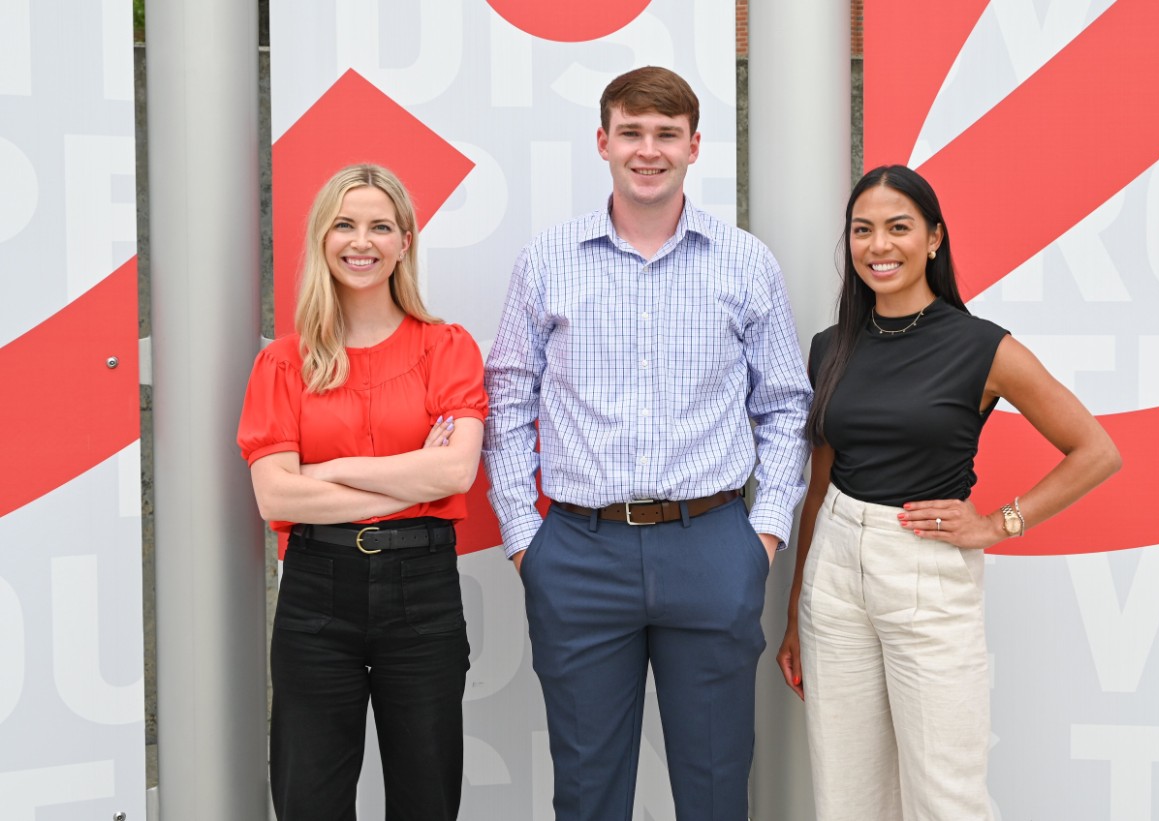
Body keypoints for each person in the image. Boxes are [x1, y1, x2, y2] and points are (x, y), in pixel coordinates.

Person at [483, 66, 812, 820]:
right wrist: (526, 538)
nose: (648, 150)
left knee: (716, 786)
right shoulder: (548, 260)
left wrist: (762, 535)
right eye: (631, 132)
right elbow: (505, 400)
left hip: (712, 545)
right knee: (588, 792)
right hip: (579, 551)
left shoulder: (744, 263)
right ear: (603, 142)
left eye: (666, 134)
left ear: (695, 146)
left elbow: (787, 407)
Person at [775, 165, 1121, 821]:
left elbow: (1096, 451)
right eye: (863, 230)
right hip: (836, 571)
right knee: (847, 798)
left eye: (898, 227)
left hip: (925, 569)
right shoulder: (830, 347)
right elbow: (818, 487)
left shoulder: (981, 347)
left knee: (945, 800)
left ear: (934, 238)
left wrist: (1000, 522)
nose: (880, 245)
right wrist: (796, 610)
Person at [237, 163, 487, 820]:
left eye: (381, 225)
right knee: (308, 801)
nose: (362, 240)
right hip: (317, 595)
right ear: (322, 238)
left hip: (422, 591)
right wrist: (408, 476)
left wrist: (324, 471)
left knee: (426, 798)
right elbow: (276, 499)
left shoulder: (448, 348)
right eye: (345, 224)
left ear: (405, 241)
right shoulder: (284, 362)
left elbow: (455, 473)